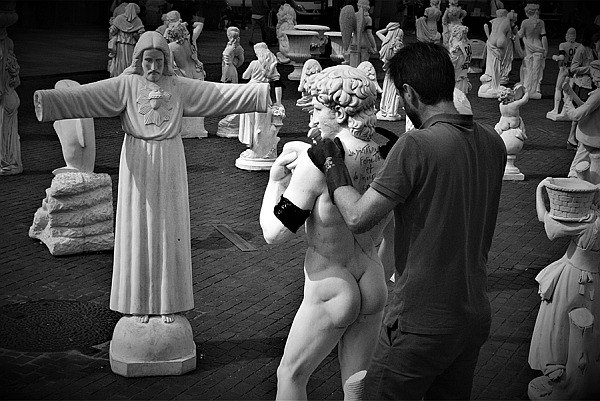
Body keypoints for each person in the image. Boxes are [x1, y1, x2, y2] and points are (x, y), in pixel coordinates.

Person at [306, 42, 507, 399]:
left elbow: (357, 216)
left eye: (401, 96)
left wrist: (332, 162)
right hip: (473, 315)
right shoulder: (493, 141)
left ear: (410, 93)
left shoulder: (416, 145)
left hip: (421, 321)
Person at [34, 31, 271, 324]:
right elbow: (87, 96)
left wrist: (258, 94)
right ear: (139, 60)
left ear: (166, 61)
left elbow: (217, 95)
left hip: (170, 161)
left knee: (169, 229)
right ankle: (138, 304)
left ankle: (168, 303)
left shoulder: (177, 85)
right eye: (148, 61)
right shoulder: (126, 84)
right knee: (137, 229)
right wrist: (49, 100)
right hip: (137, 161)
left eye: (159, 61)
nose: (153, 67)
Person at [260, 65, 394, 400]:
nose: (313, 117)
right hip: (372, 277)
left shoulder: (316, 162)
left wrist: (275, 181)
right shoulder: (389, 153)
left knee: (291, 375)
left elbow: (274, 233)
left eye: (318, 108)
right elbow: (394, 226)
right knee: (357, 385)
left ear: (340, 113)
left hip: (330, 282)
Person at [239, 43, 283, 160]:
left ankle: (255, 146)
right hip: (264, 91)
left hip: (252, 91)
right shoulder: (271, 64)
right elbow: (277, 83)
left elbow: (244, 76)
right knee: (263, 118)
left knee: (251, 119)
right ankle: (258, 148)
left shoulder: (254, 63)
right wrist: (278, 102)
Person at [563, 60, 600, 179]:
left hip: (590, 139)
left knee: (575, 171)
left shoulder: (598, 95)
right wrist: (570, 92)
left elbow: (576, 115)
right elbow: (587, 107)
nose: (593, 80)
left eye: (594, 77)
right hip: (593, 138)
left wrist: (567, 102)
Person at [0, 20, 21, 175]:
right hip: (11, 97)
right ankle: (10, 160)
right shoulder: (7, 48)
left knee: (5, 134)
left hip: (5, 100)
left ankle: (6, 162)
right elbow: (17, 81)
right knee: (9, 134)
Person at [517, 3, 547, 100]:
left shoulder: (525, 22)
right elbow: (543, 37)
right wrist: (545, 49)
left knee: (528, 66)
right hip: (538, 45)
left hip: (528, 46)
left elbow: (520, 35)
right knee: (537, 68)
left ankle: (527, 87)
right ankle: (536, 88)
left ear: (528, 12)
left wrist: (514, 33)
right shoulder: (541, 22)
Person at [375, 22, 404, 120]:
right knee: (394, 92)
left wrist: (387, 29)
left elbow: (378, 32)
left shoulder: (387, 43)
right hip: (395, 72)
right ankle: (391, 112)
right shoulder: (399, 45)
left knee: (387, 90)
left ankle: (385, 110)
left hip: (389, 71)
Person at [108, 3, 145, 77]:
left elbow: (112, 31)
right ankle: (127, 76)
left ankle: (120, 75)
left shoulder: (119, 18)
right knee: (129, 60)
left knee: (121, 61)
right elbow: (142, 34)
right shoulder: (137, 21)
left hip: (121, 44)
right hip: (130, 44)